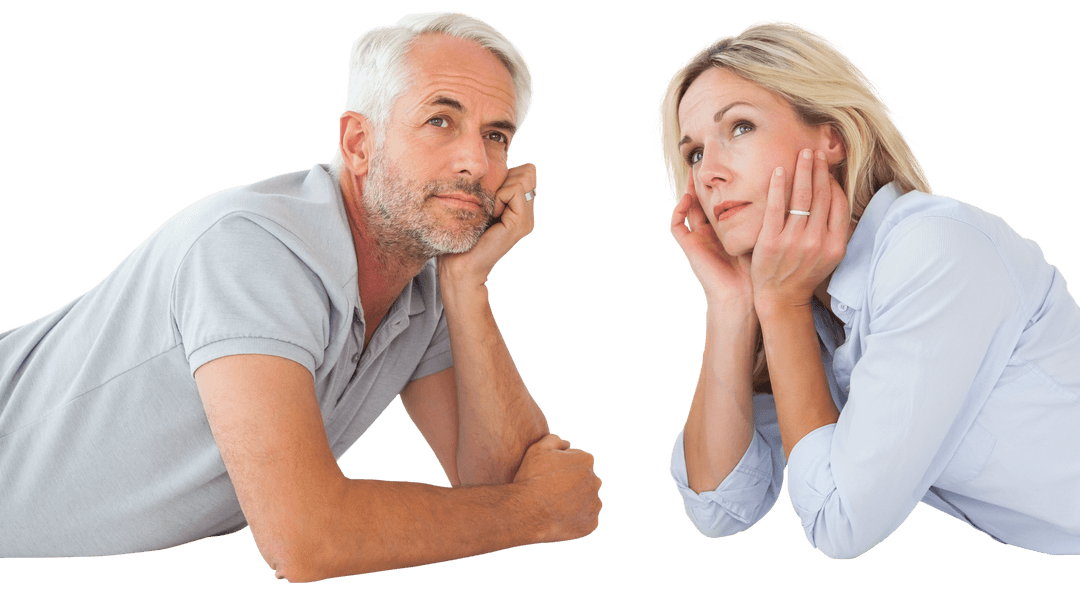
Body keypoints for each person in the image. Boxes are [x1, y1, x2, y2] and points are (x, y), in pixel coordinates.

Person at [0, 11, 601, 580]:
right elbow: (306, 542)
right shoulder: (252, 249)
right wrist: (533, 513)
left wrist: (469, 286)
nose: (476, 161)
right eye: (440, 120)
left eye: (497, 135)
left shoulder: (423, 287)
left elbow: (504, 481)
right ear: (359, 143)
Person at [658, 20, 1080, 558]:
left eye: (740, 127)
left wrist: (780, 305)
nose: (709, 173)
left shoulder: (932, 251)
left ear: (831, 136)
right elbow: (719, 506)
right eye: (693, 153)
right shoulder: (808, 299)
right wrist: (731, 302)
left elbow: (841, 523)